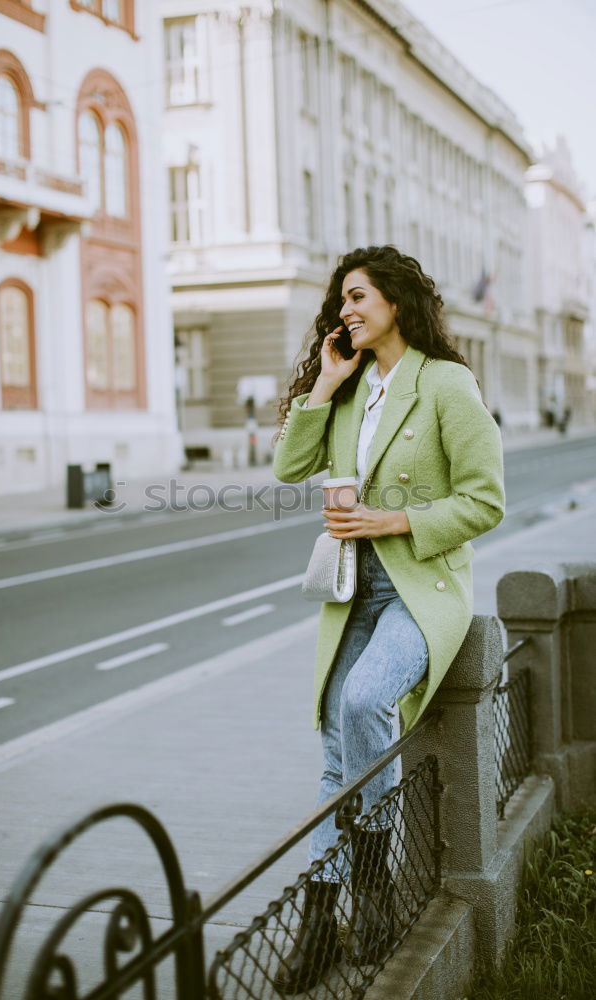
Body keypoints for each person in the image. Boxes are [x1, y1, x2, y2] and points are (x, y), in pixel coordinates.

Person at [271, 245, 505, 993]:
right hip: (352, 595)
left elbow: (485, 501)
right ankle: (320, 916)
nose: (346, 310)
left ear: (397, 302)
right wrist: (325, 384)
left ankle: (369, 888)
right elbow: (287, 469)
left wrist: (393, 521)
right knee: (336, 757)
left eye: (359, 297)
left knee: (364, 702)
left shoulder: (445, 384)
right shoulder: (347, 388)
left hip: (418, 589)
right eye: (341, 300)